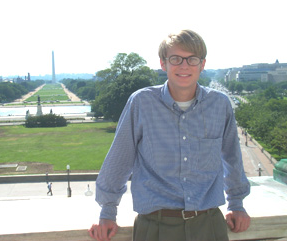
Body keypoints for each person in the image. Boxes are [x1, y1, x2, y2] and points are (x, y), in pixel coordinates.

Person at [89, 30, 251, 241]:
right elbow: (120, 159)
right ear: (163, 64)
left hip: (208, 224)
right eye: (175, 59)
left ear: (202, 64)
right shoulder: (142, 103)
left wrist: (236, 204)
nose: (184, 66)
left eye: (192, 59)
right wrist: (107, 212)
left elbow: (232, 157)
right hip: (155, 226)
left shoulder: (219, 104)